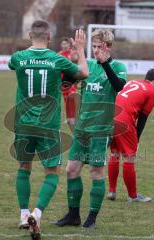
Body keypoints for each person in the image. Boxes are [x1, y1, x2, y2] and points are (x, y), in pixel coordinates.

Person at [8, 20, 88, 240]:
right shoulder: (57, 60)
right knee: (51, 172)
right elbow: (83, 73)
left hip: (23, 124)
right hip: (48, 126)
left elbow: (13, 65)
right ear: (50, 36)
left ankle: (24, 214)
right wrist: (80, 50)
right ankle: (37, 212)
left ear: (28, 34)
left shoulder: (18, 58)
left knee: (23, 168)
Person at [55, 29, 127, 228]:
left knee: (96, 172)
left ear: (109, 47)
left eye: (99, 47)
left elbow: (119, 86)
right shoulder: (89, 66)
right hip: (82, 129)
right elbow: (65, 84)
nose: (95, 51)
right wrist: (72, 64)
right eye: (93, 47)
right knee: (71, 170)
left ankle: (92, 218)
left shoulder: (118, 66)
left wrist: (105, 64)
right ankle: (73, 215)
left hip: (101, 129)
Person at [107, 69, 154, 203]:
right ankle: (132, 196)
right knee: (129, 157)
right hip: (125, 120)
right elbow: (143, 118)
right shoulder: (151, 90)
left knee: (115, 154)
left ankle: (112, 191)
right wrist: (137, 140)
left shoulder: (133, 82)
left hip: (112, 115)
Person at [59, 37, 77, 127]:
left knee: (71, 97)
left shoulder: (72, 53)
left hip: (72, 81)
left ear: (69, 45)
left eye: (66, 44)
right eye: (63, 44)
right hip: (62, 82)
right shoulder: (59, 55)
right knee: (66, 100)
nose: (64, 45)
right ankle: (69, 118)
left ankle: (73, 118)